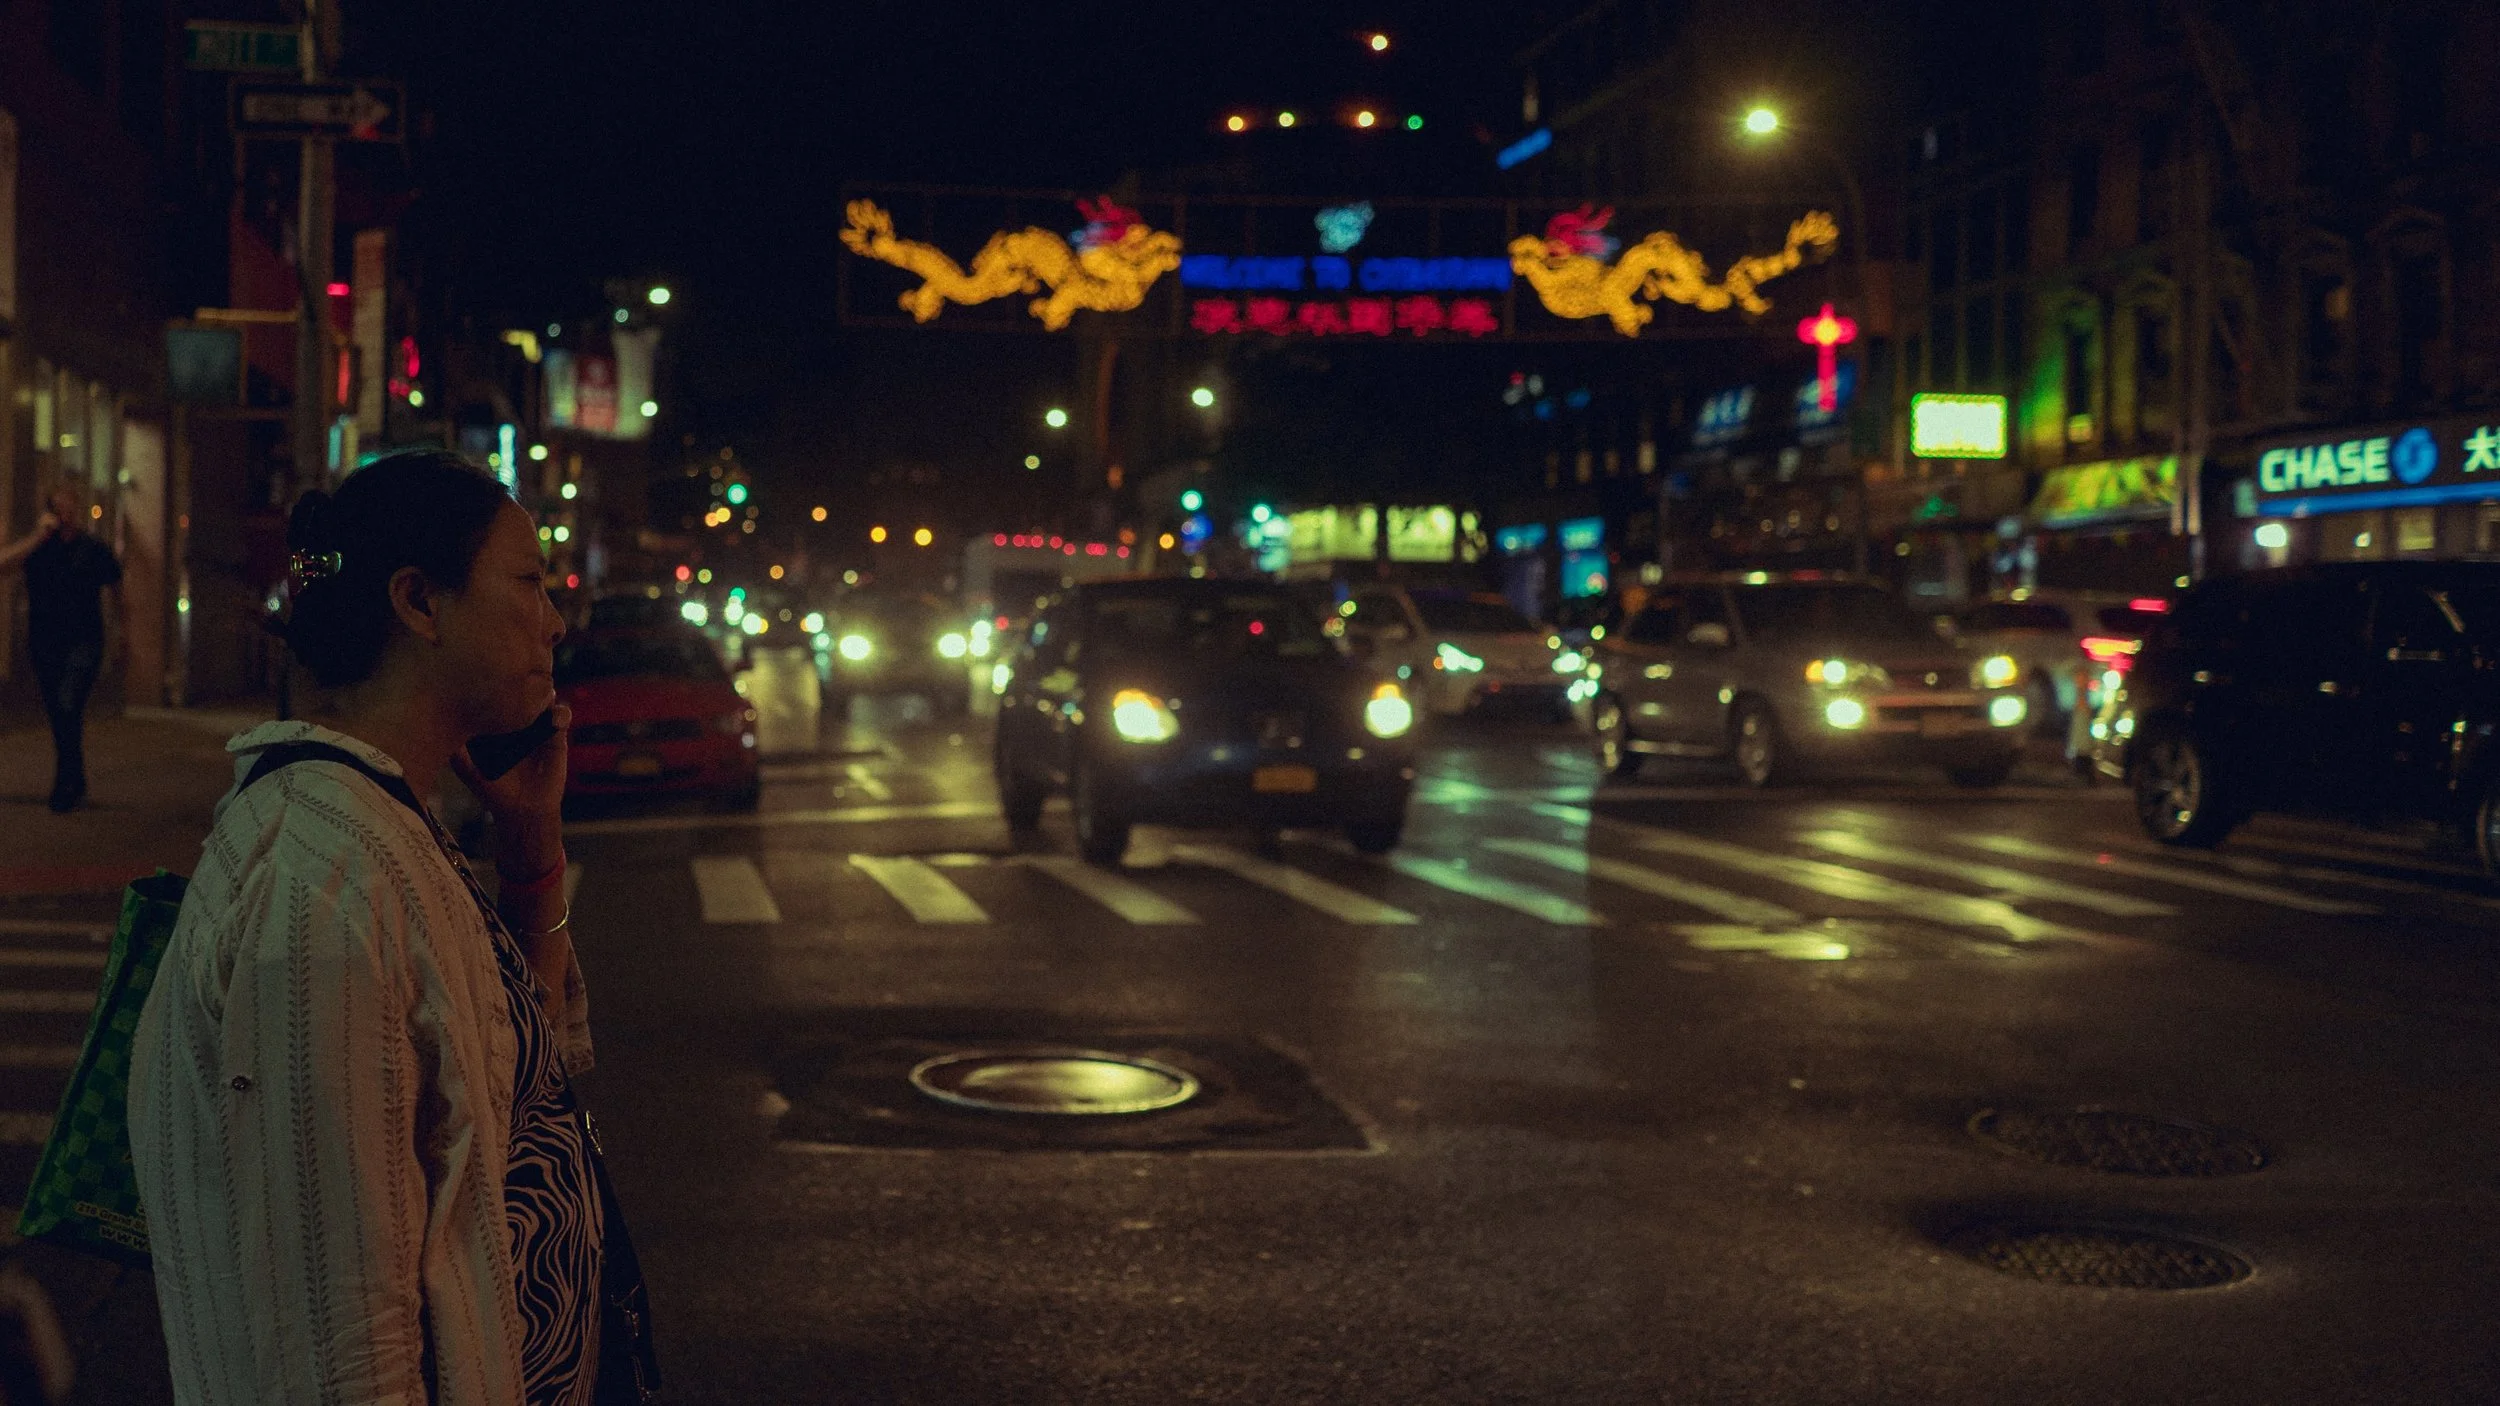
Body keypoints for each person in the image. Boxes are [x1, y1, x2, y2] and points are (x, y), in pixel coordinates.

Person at [129, 450, 646, 1405]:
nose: (555, 619)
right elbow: (335, 1340)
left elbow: (507, 1097)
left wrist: (533, 861)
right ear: (421, 603)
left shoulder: (388, 826)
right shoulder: (323, 884)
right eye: (529, 582)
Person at [0, 483, 122, 811]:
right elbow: (4, 566)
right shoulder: (39, 548)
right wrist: (36, 537)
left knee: (69, 704)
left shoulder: (93, 549)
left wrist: (118, 633)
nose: (66, 515)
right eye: (59, 509)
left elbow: (115, 584)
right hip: (45, 642)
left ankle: (63, 784)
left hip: (84, 642)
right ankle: (75, 777)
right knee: (58, 713)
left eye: (71, 508)